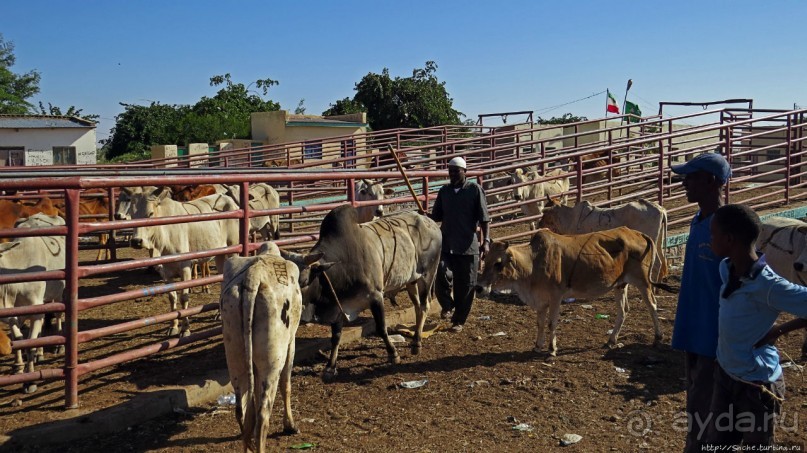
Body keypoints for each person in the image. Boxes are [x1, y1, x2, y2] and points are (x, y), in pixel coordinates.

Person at [705, 204, 807, 447]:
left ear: (729, 239)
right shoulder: (725, 268)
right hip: (726, 374)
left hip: (756, 386)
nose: (710, 240)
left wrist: (778, 330)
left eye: (713, 235)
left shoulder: (768, 285)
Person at [669, 152, 731, 452]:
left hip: (715, 336)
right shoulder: (698, 221)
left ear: (711, 181)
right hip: (693, 330)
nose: (684, 183)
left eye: (691, 177)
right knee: (696, 403)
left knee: (709, 409)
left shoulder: (729, 228)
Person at [429, 156, 490, 333]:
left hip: (467, 246)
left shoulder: (474, 190)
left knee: (466, 285)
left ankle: (459, 320)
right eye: (450, 171)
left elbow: (484, 218)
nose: (453, 174)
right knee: (439, 272)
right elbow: (437, 216)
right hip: (446, 243)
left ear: (465, 172)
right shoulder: (444, 191)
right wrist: (425, 215)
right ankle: (447, 305)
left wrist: (485, 241)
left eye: (456, 171)